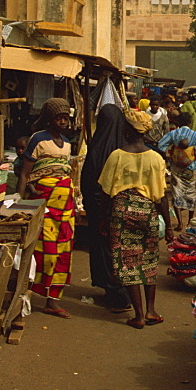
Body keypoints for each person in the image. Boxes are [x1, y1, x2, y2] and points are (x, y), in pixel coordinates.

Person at [98, 110, 173, 329]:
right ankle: (151, 310)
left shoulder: (117, 156)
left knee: (129, 262)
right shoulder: (156, 158)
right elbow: (161, 196)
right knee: (148, 261)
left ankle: (138, 315)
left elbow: (105, 192)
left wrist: (104, 218)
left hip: (122, 212)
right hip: (148, 211)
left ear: (128, 130)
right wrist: (168, 226)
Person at [16, 98, 76, 318]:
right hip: (44, 204)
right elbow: (25, 173)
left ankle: (53, 300)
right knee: (43, 252)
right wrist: (19, 204)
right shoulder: (38, 140)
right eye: (59, 117)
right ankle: (27, 293)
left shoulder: (68, 143)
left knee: (63, 253)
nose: (63, 122)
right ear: (49, 119)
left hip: (66, 207)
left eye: (66, 118)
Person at [80, 103, 131, 312]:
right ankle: (122, 290)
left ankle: (115, 293)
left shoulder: (98, 147)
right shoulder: (126, 148)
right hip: (122, 208)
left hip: (100, 208)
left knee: (104, 249)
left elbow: (91, 180)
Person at [157, 114, 196, 230]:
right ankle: (190, 222)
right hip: (190, 168)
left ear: (178, 123)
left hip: (176, 168)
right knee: (190, 193)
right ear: (190, 123)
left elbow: (161, 145)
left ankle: (180, 223)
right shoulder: (195, 135)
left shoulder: (174, 134)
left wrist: (169, 156)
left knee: (176, 192)